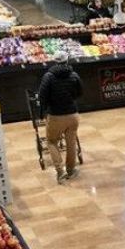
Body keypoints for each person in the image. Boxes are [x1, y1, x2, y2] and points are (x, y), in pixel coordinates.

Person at [36, 51, 82, 184]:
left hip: (55, 115)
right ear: (67, 61)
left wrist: (42, 113)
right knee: (71, 142)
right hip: (72, 114)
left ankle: (60, 172)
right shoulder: (74, 75)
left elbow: (42, 96)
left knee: (51, 142)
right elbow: (80, 92)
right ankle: (71, 170)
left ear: (54, 61)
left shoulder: (48, 76)